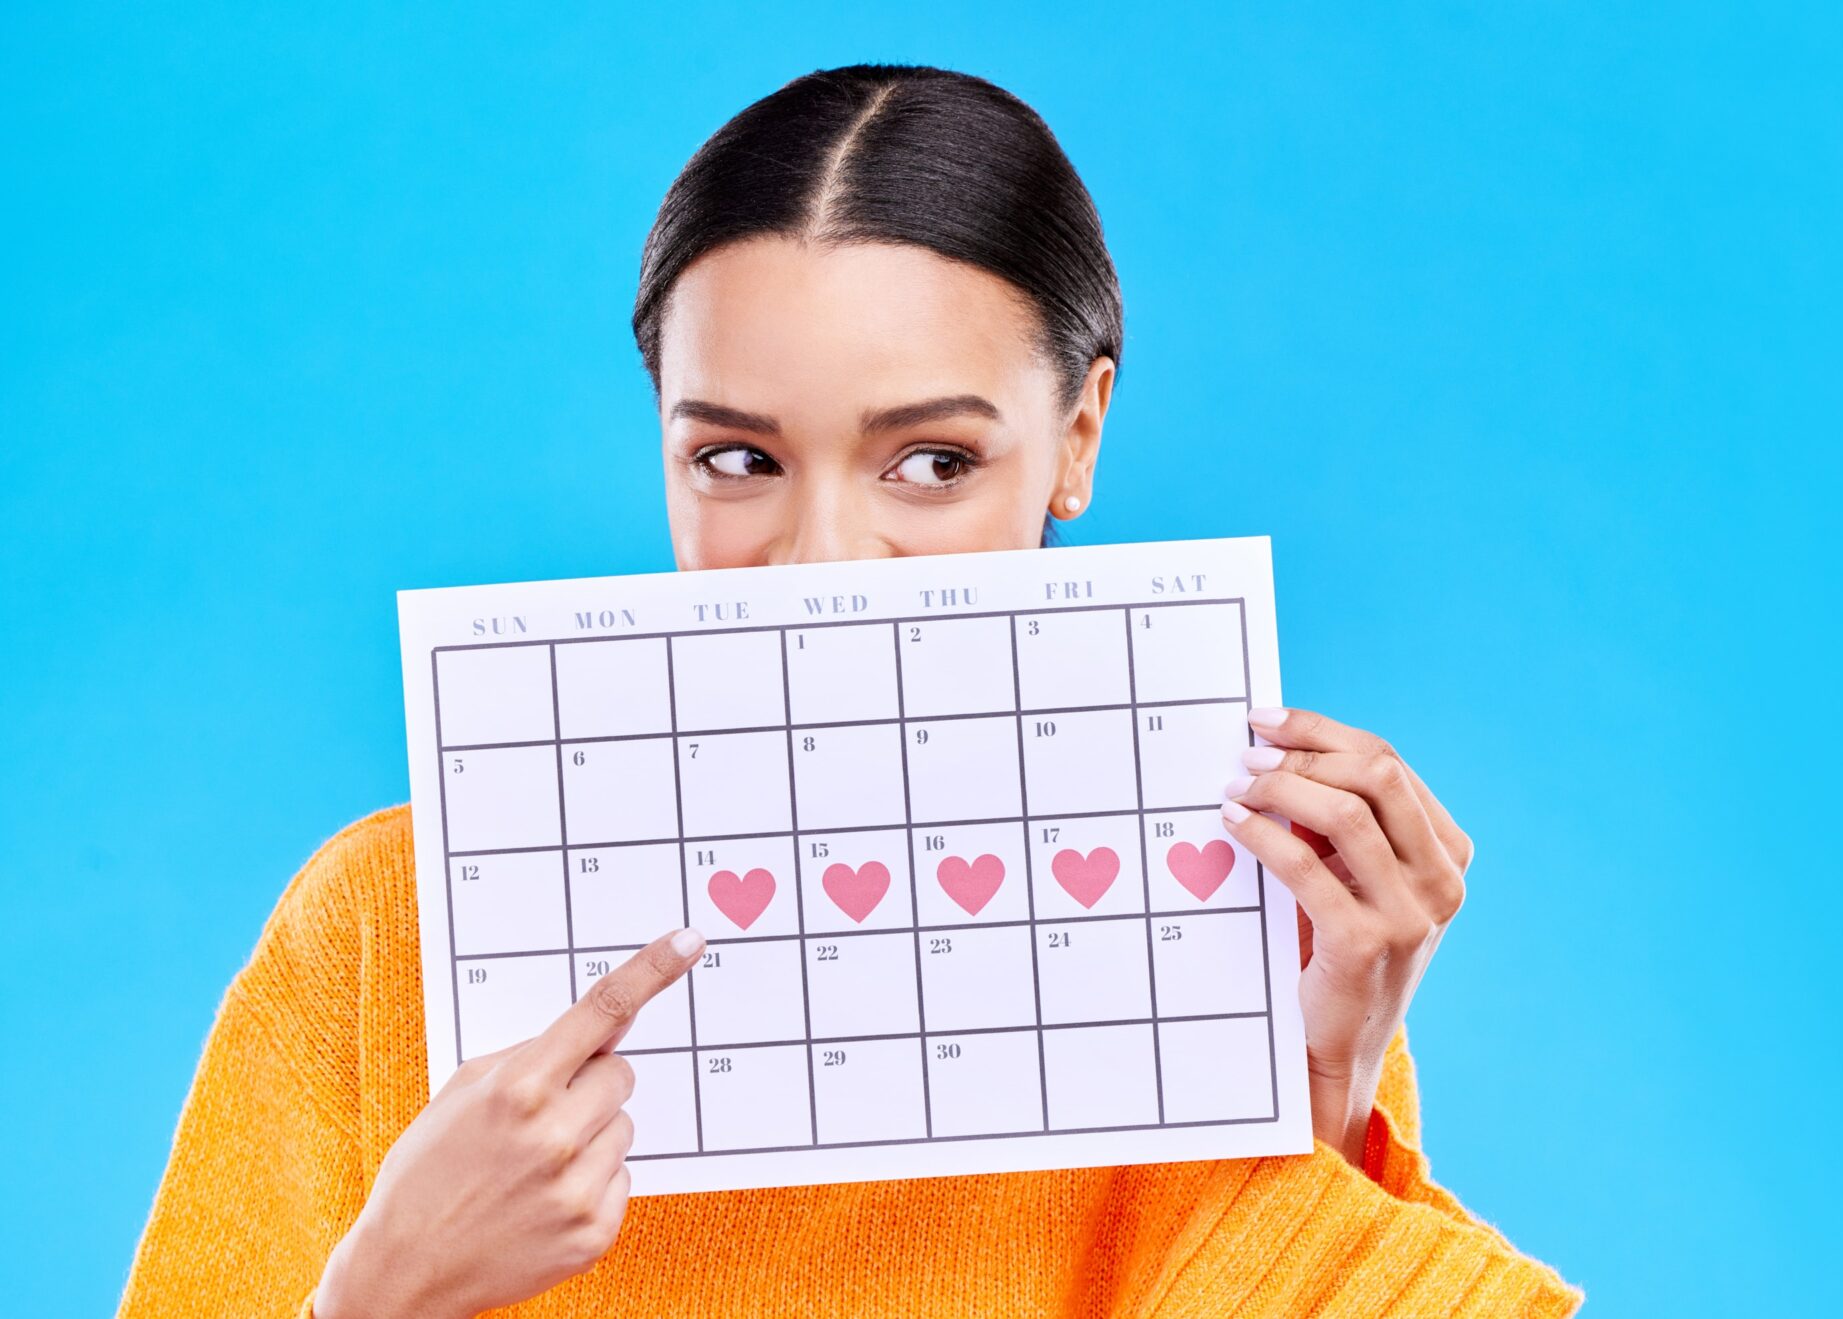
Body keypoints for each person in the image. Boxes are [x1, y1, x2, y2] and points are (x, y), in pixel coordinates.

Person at [118, 64, 1580, 1317]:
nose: (823, 562)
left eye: (933, 463)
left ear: (1079, 435)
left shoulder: (1242, 927)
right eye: (737, 461)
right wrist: (377, 1295)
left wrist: (1320, 1081)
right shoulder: (380, 932)